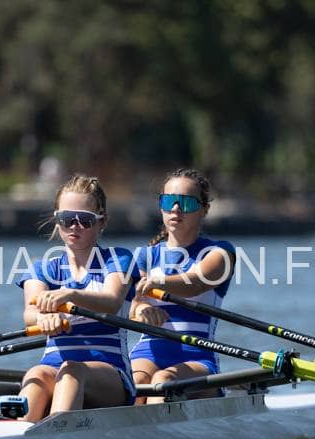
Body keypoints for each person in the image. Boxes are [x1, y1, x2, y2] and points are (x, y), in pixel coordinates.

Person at [15, 174, 139, 422]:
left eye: (85, 220)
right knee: (36, 375)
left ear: (102, 222)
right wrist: (43, 319)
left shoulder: (118, 259)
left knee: (71, 371)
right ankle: (18, 435)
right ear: (57, 220)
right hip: (53, 366)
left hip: (109, 374)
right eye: (67, 219)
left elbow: (112, 301)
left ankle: (57, 436)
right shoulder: (43, 268)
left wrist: (71, 295)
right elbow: (30, 313)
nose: (75, 226)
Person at [129, 168, 236, 404]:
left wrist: (159, 282)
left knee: (163, 380)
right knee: (136, 383)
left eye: (186, 203)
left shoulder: (220, 253)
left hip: (196, 356)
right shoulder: (145, 256)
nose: (176, 209)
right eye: (169, 202)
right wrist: (141, 309)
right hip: (147, 351)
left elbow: (195, 284)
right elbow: (132, 305)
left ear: (204, 209)